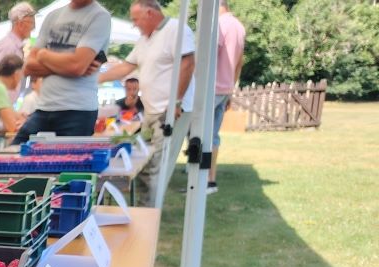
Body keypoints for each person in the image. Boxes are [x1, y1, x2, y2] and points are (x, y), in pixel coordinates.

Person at [100, 0, 195, 203]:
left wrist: (176, 101)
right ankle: (143, 209)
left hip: (170, 111)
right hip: (151, 112)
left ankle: (149, 213)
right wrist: (93, 79)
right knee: (142, 162)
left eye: (136, 19)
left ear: (150, 13)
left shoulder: (176, 29)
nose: (134, 25)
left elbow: (188, 63)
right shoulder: (144, 39)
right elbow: (126, 67)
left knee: (156, 168)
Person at [13, 0, 112, 144]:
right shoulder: (52, 16)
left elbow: (76, 66)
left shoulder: (100, 16)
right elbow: (29, 67)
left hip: (77, 111)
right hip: (44, 107)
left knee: (66, 160)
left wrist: (44, 55)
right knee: (14, 153)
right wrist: (69, 65)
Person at [211, 0, 246, 193]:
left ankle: (204, 180)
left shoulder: (218, 24)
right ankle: (210, 179)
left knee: (201, 135)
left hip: (211, 89)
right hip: (225, 89)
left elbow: (210, 57)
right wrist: (231, 88)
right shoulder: (239, 27)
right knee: (213, 136)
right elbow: (239, 62)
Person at [0, 2, 36, 105]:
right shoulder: (8, 46)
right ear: (20, 24)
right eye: (31, 22)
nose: (33, 27)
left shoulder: (13, 46)